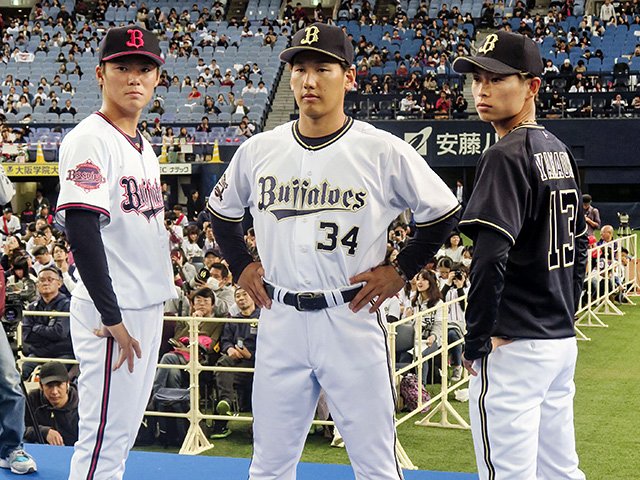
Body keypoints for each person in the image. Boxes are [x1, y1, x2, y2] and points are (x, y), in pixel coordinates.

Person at [207, 23, 459, 479]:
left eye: (323, 68)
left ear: (349, 76)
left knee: (376, 465)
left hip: (350, 315)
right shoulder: (259, 148)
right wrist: (241, 264)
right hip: (280, 314)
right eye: (299, 69)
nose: (308, 80)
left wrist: (401, 270)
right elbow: (221, 211)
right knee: (268, 465)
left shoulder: (382, 150)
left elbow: (443, 212)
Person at [452, 31, 588, 480]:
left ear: (532, 86)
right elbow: (582, 245)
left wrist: (475, 341)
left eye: (496, 78)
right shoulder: (560, 151)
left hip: (513, 346)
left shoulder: (505, 154)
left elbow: (489, 259)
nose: (482, 90)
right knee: (561, 472)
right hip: (558, 341)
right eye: (477, 79)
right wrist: (567, 314)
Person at [55, 25, 176, 480]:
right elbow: (83, 231)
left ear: (157, 78)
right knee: (104, 439)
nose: (134, 77)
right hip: (115, 312)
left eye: (144, 68)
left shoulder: (143, 145)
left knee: (120, 435)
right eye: (121, 67)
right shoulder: (91, 138)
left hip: (142, 304)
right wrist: (112, 317)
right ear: (99, 74)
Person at [211, 287, 260, 438]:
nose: (241, 298)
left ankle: (257, 428)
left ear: (253, 297)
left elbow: (272, 345)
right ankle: (225, 404)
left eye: (245, 294)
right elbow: (225, 340)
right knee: (222, 364)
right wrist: (230, 349)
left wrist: (250, 355)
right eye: (237, 296)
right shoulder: (232, 320)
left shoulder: (263, 318)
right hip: (236, 363)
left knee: (225, 376)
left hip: (257, 365)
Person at [21, 266, 73, 380]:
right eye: (42, 280)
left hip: (62, 354)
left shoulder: (67, 305)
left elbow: (60, 332)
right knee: (21, 374)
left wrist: (37, 328)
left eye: (50, 280)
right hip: (38, 354)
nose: (46, 283)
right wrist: (48, 332)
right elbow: (27, 336)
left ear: (59, 283)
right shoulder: (31, 307)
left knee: (55, 378)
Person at [24, 361, 79, 446]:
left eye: (59, 385)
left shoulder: (83, 404)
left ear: (67, 383)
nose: (54, 392)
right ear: (41, 386)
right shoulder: (32, 399)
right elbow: (18, 428)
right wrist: (44, 432)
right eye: (49, 386)